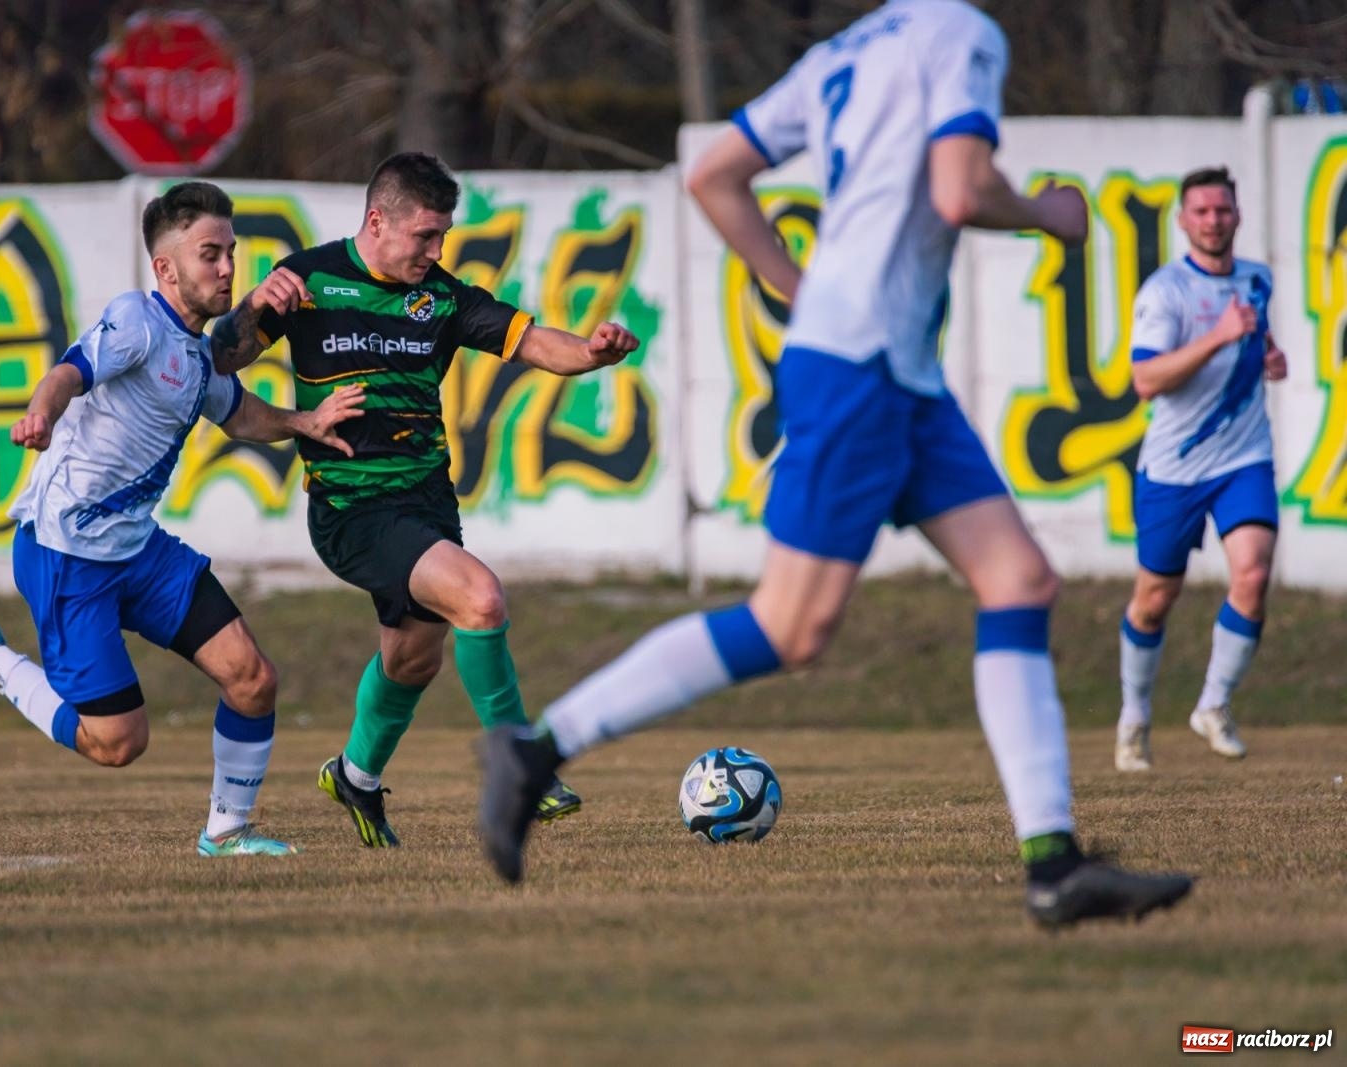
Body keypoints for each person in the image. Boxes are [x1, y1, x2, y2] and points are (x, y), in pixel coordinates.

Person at [476, 0, 1194, 927]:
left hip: (888, 367)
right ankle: (538, 751)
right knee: (791, 626)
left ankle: (1054, 865)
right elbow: (960, 191)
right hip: (863, 370)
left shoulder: (843, 51)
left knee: (1018, 577)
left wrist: (807, 294)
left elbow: (713, 176)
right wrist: (1049, 215)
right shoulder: (961, 33)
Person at [209, 152, 640, 848]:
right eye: (425, 236)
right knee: (482, 597)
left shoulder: (439, 298)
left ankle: (356, 776)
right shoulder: (311, 281)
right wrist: (256, 304)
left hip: (428, 503)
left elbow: (532, 342)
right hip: (353, 509)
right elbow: (222, 359)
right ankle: (519, 759)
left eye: (443, 236)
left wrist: (593, 352)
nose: (437, 250)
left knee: (414, 659)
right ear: (378, 221)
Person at [0, 181, 365, 857]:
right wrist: (42, 413)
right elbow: (69, 371)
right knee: (119, 742)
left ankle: (226, 832)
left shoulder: (198, 353)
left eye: (231, 253)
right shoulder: (136, 320)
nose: (228, 268)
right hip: (67, 554)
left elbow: (238, 412)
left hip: (138, 551)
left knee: (253, 678)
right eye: (210, 255)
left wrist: (304, 421)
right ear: (166, 268)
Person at [1113, 166, 1286, 773]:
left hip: (1244, 457)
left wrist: (1265, 355)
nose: (1214, 220)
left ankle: (1213, 704)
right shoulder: (1165, 293)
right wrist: (1218, 337)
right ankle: (1134, 718)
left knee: (1254, 574)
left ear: (1237, 216)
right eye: (1202, 211)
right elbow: (1145, 380)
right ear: (1183, 221)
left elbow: (1251, 340)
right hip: (1174, 467)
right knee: (1155, 600)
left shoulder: (1258, 280)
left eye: (1223, 210)